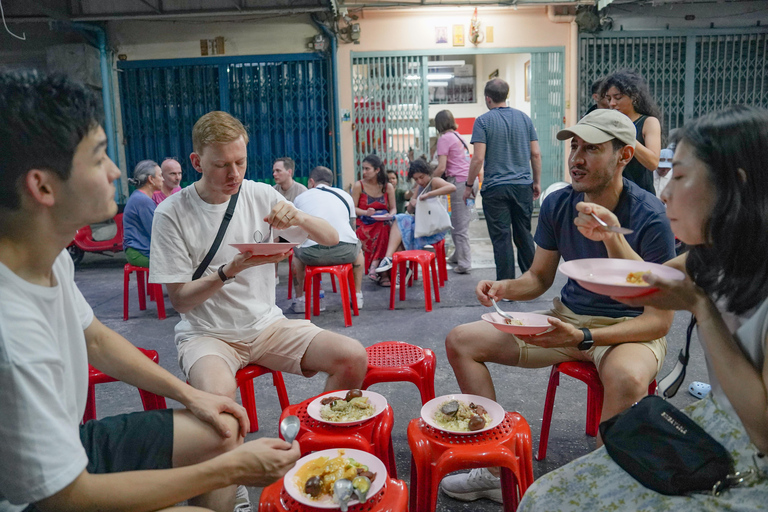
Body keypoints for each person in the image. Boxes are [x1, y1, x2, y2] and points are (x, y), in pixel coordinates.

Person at [0, 70, 300, 512]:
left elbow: (97, 338)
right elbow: (66, 497)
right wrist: (233, 469)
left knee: (221, 427)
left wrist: (192, 395)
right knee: (220, 464)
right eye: (100, 157)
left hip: (76, 443)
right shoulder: (12, 334)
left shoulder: (50, 258)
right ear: (42, 186)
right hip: (40, 497)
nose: (117, 171)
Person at [518, 105, 768, 511]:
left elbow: (763, 432)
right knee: (541, 497)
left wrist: (702, 310)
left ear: (734, 187)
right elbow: (638, 287)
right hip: (721, 425)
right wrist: (611, 236)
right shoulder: (713, 255)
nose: (665, 191)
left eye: (680, 176)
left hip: (750, 449)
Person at [441, 109, 675, 503]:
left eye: (593, 149)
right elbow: (539, 279)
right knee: (461, 340)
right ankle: (494, 469)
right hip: (565, 322)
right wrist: (504, 286)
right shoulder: (559, 204)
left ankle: (603, 491)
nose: (577, 158)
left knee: (627, 378)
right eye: (574, 146)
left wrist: (587, 336)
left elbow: (659, 321)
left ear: (625, 156)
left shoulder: (651, 216)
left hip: (627, 331)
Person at [150, 110, 367, 407]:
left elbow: (331, 238)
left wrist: (300, 216)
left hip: (268, 327)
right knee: (219, 403)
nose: (234, 174)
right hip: (208, 335)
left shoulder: (261, 195)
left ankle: (314, 439)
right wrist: (228, 271)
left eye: (240, 162)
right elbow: (180, 301)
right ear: (196, 162)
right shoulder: (171, 213)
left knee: (352, 358)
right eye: (221, 165)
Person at [465, 78, 541, 281]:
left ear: (488, 98)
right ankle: (531, 283)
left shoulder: (483, 121)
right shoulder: (525, 118)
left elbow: (478, 158)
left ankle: (506, 287)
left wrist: (468, 185)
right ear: (506, 96)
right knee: (524, 234)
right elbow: (535, 154)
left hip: (495, 189)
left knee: (502, 239)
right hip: (522, 186)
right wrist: (536, 181)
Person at [291, 165, 365, 311]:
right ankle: (357, 296)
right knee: (359, 250)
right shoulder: (345, 196)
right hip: (345, 252)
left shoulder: (300, 198)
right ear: (330, 182)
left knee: (296, 254)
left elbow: (297, 229)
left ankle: (300, 300)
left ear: (311, 182)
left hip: (311, 255)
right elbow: (352, 228)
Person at [375, 158, 456, 282]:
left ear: (427, 173)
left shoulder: (434, 181)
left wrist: (429, 195)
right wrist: (412, 203)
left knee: (400, 226)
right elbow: (411, 210)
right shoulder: (419, 186)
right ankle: (398, 268)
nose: (419, 181)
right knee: (400, 226)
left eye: (421, 177)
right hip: (421, 225)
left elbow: (452, 188)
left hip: (434, 228)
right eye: (416, 179)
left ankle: (396, 265)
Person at [601, 70, 663, 195]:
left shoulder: (648, 122)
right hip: (612, 194)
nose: (612, 103)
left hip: (640, 195)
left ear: (634, 97)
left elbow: (653, 163)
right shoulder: (608, 122)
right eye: (609, 98)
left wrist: (627, 136)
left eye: (618, 98)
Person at [433, 109, 472, 274]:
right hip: (469, 181)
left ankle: (464, 263)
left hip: (459, 182)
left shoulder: (444, 139)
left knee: (458, 225)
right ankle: (457, 255)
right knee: (460, 221)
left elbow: (441, 167)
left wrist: (430, 180)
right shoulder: (458, 136)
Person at [351, 154, 396, 282]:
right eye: (363, 169)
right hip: (364, 223)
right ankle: (382, 272)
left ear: (377, 170)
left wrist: (390, 214)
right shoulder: (359, 185)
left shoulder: (388, 187)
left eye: (367, 169)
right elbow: (353, 208)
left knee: (385, 228)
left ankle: (376, 266)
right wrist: (366, 212)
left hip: (381, 222)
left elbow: (393, 208)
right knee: (383, 230)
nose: (364, 172)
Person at [123, 159, 163, 268]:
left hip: (138, 250)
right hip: (140, 252)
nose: (163, 179)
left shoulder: (139, 196)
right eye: (160, 176)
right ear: (151, 179)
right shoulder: (143, 200)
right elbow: (156, 231)